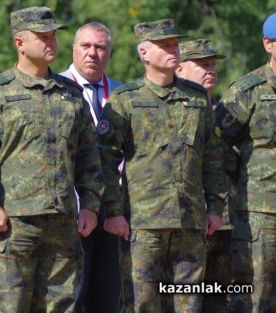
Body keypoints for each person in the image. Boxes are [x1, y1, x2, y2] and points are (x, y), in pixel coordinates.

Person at [0, 6, 104, 312]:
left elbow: (88, 155)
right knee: (12, 306)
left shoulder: (70, 94)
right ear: (20, 42)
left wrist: (92, 205)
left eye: (54, 36)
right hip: (15, 222)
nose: (51, 42)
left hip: (62, 220)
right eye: (42, 36)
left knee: (62, 306)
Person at [98, 19, 226, 312]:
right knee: (142, 303)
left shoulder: (195, 100)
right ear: (144, 52)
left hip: (190, 221)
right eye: (164, 44)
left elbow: (212, 158)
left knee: (188, 304)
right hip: (143, 224)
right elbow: (105, 158)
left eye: (174, 44)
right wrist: (114, 212)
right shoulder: (125, 100)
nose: (173, 49)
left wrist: (215, 208)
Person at [59, 21, 122, 313]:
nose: (92, 53)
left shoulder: (123, 95)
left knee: (107, 298)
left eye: (100, 47)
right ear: (73, 49)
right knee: (70, 297)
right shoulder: (54, 90)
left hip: (113, 210)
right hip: (69, 209)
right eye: (85, 46)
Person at [216, 13, 276, 313]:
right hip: (259, 213)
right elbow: (218, 142)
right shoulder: (248, 90)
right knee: (255, 297)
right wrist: (241, 176)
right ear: (268, 44)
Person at [177, 39, 233, 312]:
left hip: (227, 220)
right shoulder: (173, 113)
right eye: (201, 64)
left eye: (212, 63)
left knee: (222, 298)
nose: (210, 69)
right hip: (186, 221)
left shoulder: (227, 113)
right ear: (179, 69)